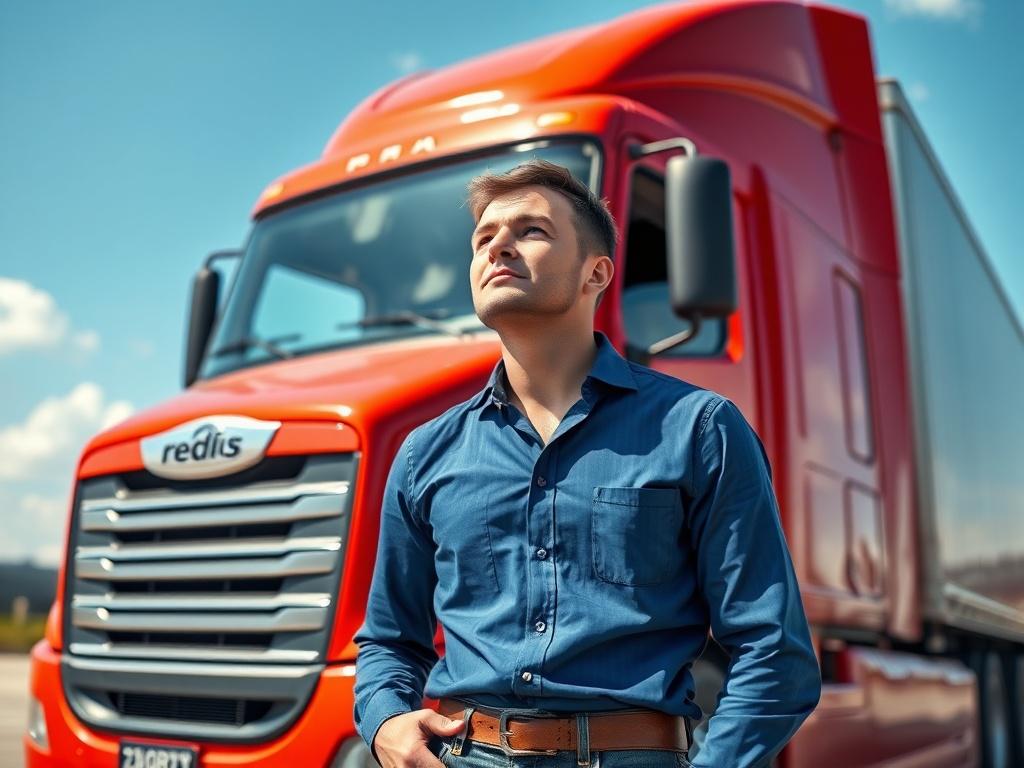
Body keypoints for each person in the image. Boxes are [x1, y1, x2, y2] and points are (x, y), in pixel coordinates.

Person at [353, 159, 821, 768]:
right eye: (483, 238)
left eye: (531, 231)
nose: (498, 246)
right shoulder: (424, 454)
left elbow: (773, 650)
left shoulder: (699, 429)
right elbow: (389, 641)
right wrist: (385, 720)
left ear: (595, 273)